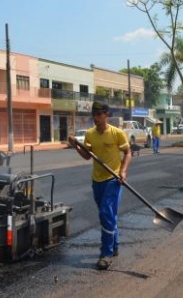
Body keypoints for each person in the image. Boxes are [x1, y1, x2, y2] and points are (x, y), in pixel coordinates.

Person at [83, 101, 132, 271]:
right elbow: (87, 156)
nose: (95, 117)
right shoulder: (90, 134)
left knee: (106, 212)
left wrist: (123, 172)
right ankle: (114, 244)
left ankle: (106, 253)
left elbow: (128, 153)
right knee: (108, 214)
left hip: (113, 178)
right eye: (94, 114)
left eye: (99, 114)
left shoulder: (117, 133)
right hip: (97, 180)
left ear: (107, 115)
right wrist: (76, 145)